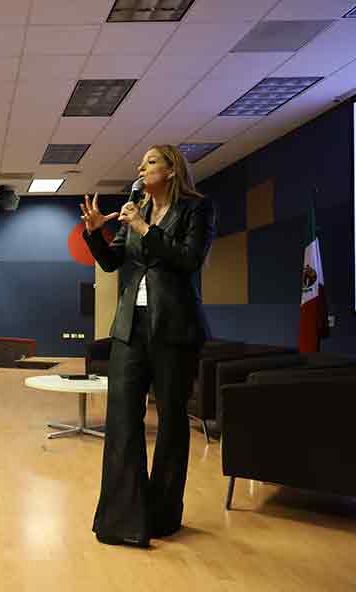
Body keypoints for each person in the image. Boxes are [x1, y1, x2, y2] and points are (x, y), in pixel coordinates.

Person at [80, 144, 215, 548]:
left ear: (171, 170)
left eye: (150, 162)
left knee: (172, 424)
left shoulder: (196, 209)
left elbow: (189, 260)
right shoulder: (135, 206)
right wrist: (94, 233)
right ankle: (123, 519)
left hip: (174, 329)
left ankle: (162, 515)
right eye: (140, 163)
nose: (140, 168)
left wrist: (144, 228)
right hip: (130, 329)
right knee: (122, 419)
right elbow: (111, 261)